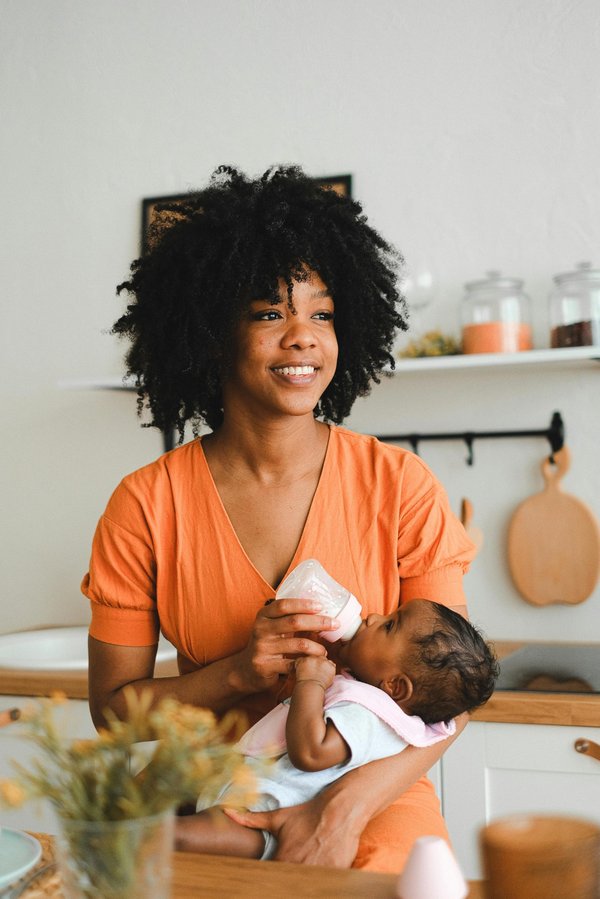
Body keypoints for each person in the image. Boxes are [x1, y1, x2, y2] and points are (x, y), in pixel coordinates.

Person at [82, 164, 478, 872]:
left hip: (374, 794)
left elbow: (448, 699)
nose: (303, 337)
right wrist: (236, 673)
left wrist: (339, 810)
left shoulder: (401, 485)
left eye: (322, 314)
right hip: (213, 798)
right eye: (270, 313)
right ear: (211, 334)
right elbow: (113, 711)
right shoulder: (144, 504)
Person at [174, 599, 498, 859]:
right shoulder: (368, 696)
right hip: (239, 790)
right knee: (156, 800)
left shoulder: (369, 715)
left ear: (396, 686)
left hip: (264, 820)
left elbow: (312, 753)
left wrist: (310, 682)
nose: (372, 617)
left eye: (389, 625)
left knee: (179, 836)